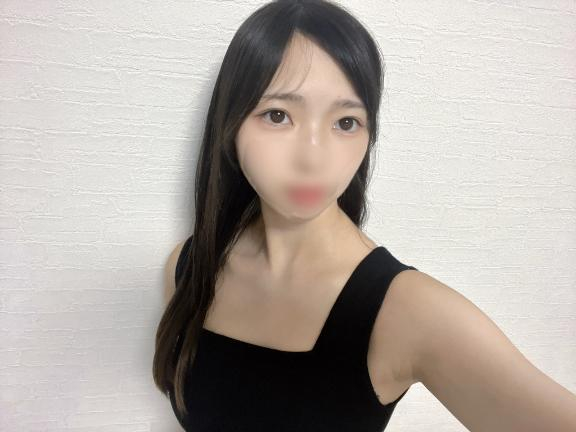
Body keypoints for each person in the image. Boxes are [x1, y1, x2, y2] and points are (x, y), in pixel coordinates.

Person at [153, 1, 576, 431]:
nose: (313, 159)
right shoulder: (188, 268)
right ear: (230, 125)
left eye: (346, 122)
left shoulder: (410, 312)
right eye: (278, 115)